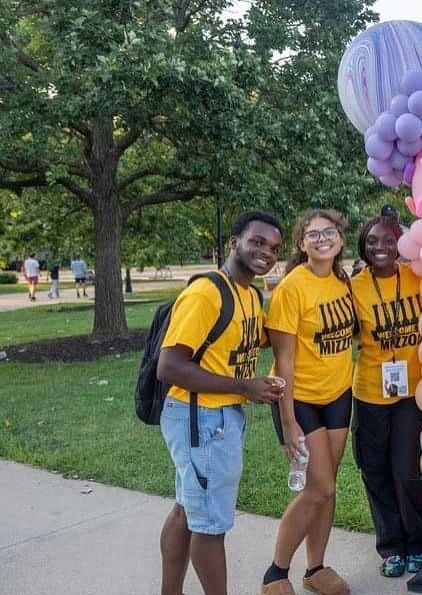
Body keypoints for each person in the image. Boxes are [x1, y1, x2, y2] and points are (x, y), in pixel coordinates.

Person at [157, 211, 285, 595]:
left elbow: (247, 339)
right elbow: (170, 366)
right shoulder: (205, 293)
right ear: (234, 243)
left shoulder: (249, 293)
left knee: (187, 511)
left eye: (274, 248)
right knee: (210, 527)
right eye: (257, 242)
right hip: (201, 419)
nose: (266, 252)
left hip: (214, 417)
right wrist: (244, 386)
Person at [262, 209, 357, 595]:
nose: (322, 239)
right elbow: (283, 359)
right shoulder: (291, 287)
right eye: (312, 234)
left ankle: (315, 567)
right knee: (318, 488)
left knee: (328, 487)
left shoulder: (342, 281)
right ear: (301, 244)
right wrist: (288, 422)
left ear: (339, 239)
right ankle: (275, 573)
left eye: (329, 232)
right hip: (300, 399)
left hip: (338, 395)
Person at [350, 215, 422, 578]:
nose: (379, 247)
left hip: (411, 391)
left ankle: (417, 543)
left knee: (408, 471)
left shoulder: (417, 277)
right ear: (363, 246)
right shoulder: (354, 286)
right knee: (376, 470)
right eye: (371, 241)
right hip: (369, 391)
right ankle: (391, 546)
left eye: (388, 240)